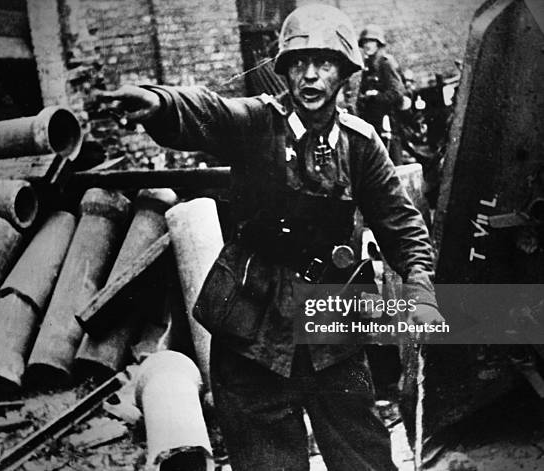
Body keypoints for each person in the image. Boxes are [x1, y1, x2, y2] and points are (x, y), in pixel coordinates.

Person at [96, 4, 444, 470]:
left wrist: (419, 280)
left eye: (323, 63)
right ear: (285, 71)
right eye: (299, 63)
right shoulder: (256, 122)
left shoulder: (360, 144)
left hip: (332, 319)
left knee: (364, 456)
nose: (311, 77)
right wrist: (159, 103)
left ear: (344, 72)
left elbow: (400, 223)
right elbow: (208, 111)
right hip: (253, 323)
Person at [357, 25, 407, 165]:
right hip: (373, 122)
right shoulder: (367, 66)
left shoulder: (385, 63)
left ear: (378, 43)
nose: (367, 45)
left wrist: (375, 96)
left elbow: (397, 93)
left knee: (394, 161)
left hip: (388, 122)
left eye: (371, 41)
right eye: (365, 42)